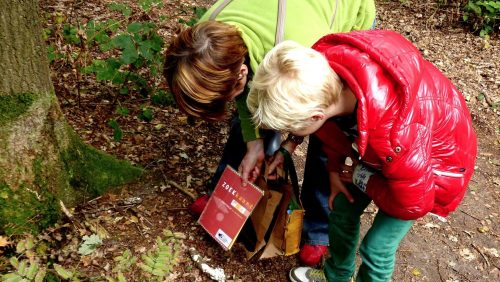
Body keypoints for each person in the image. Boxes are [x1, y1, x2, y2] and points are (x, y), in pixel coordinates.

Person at [247, 31, 477, 281]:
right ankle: (337, 276)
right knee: (341, 210)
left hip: (428, 170)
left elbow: (412, 204)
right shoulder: (325, 76)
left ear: (315, 116)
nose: (291, 134)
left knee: (377, 248)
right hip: (384, 154)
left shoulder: (395, 131)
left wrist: (362, 177)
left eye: (292, 128)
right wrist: (335, 172)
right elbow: (334, 133)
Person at [163, 0, 376, 265]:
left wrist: (291, 143)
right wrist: (254, 144)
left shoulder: (303, 50)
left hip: (345, 22)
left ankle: (318, 231)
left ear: (243, 73)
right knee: (250, 120)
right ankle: (224, 194)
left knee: (327, 135)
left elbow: (316, 110)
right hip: (285, 29)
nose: (233, 101)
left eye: (231, 94)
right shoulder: (203, 40)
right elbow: (246, 100)